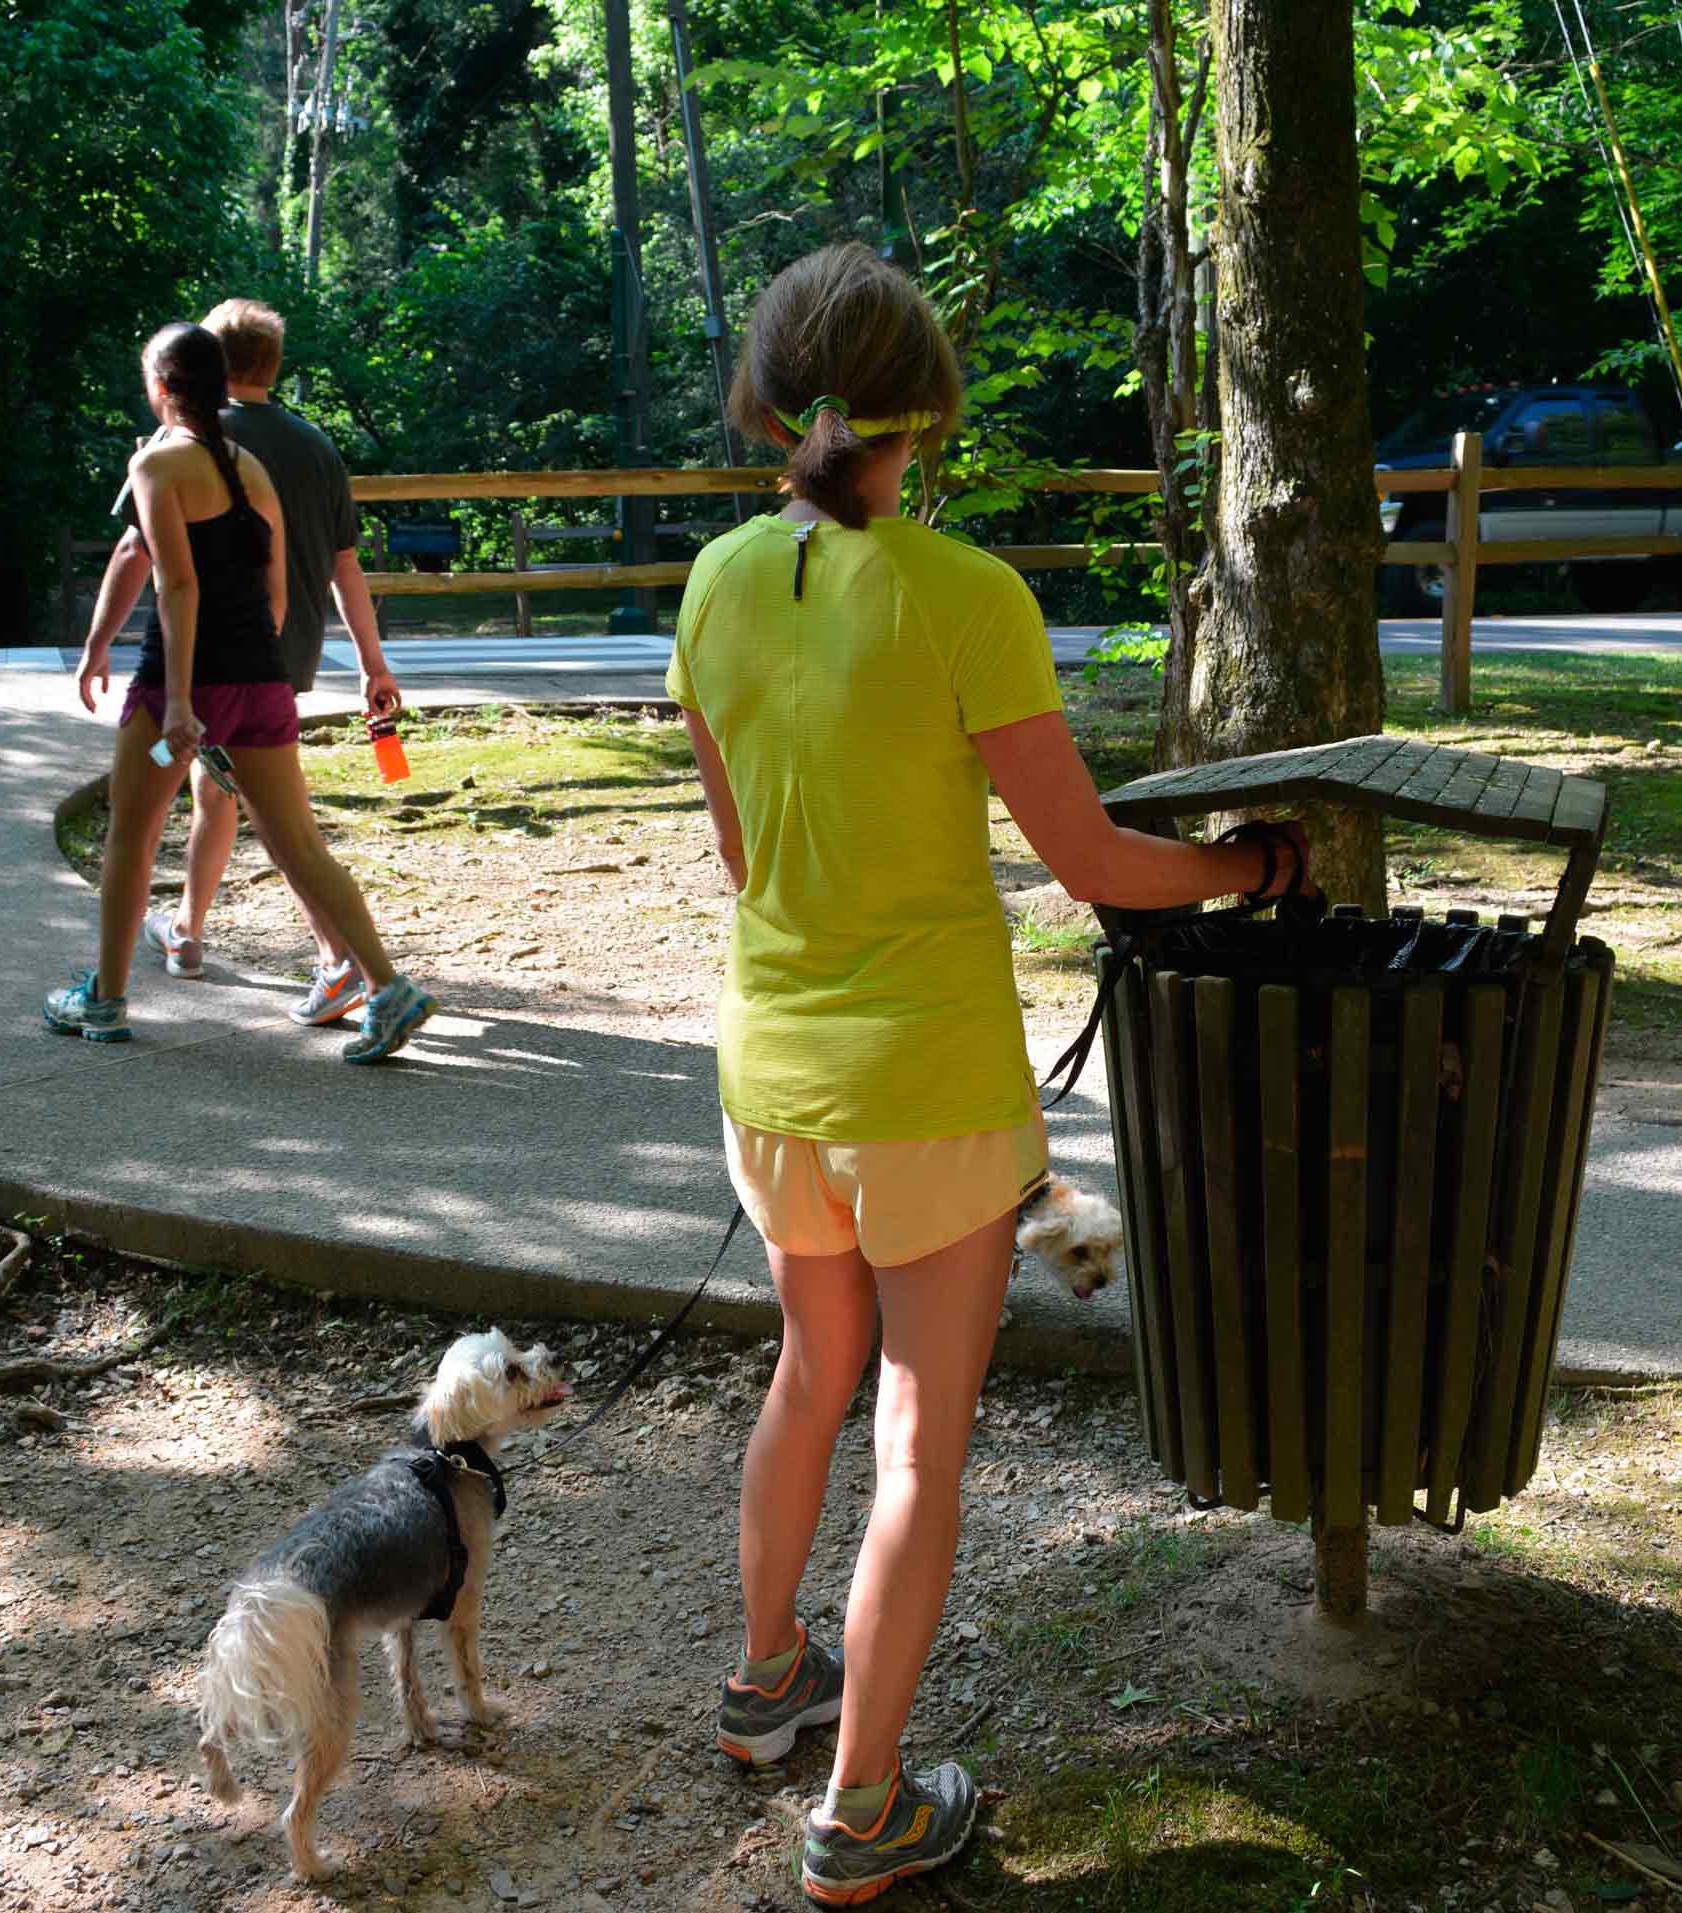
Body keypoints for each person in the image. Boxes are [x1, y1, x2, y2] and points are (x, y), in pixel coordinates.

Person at [670, 243, 1309, 1907]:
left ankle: (765, 1681)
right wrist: (1254, 871)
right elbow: (1096, 859)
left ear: (772, 400)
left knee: (812, 1373)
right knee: (919, 1433)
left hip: (768, 1076)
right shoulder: (966, 596)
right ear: (921, 414)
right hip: (930, 1092)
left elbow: (743, 854)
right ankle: (865, 1807)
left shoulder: (715, 581)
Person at [45, 322, 435, 1064]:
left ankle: (104, 999)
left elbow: (176, 584)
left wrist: (186, 702)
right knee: (300, 843)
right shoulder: (250, 467)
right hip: (263, 680)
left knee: (131, 836)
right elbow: (278, 593)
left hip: (177, 687)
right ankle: (388, 988)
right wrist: (245, 681)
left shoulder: (159, 465)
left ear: (161, 387)